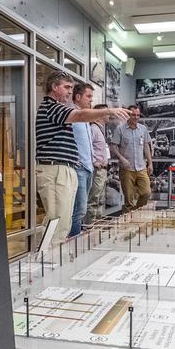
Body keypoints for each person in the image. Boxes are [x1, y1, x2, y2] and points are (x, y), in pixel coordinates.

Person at [36, 72, 126, 240]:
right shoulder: (51, 107)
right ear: (54, 87)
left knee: (65, 219)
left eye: (71, 87)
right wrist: (109, 110)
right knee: (58, 219)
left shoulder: (58, 108)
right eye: (66, 87)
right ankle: (48, 259)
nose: (69, 91)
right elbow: (79, 115)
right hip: (55, 169)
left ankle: (55, 255)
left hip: (65, 168)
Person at [110, 104, 153, 210]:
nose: (136, 117)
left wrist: (150, 163)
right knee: (129, 199)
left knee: (147, 193)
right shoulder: (120, 130)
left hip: (141, 167)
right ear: (128, 115)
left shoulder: (143, 129)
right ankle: (128, 223)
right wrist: (121, 158)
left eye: (138, 115)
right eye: (133, 115)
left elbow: (146, 146)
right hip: (127, 169)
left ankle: (137, 212)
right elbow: (113, 147)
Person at [68, 82, 95, 237]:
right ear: (78, 97)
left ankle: (75, 234)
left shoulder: (85, 119)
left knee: (80, 208)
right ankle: (74, 239)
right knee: (80, 208)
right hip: (78, 168)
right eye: (88, 96)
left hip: (88, 167)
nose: (91, 100)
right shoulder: (72, 114)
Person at [86, 104, 110, 225]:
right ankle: (90, 226)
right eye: (106, 112)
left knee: (100, 199)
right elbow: (87, 148)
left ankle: (97, 225)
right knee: (93, 199)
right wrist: (95, 162)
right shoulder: (93, 129)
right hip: (97, 170)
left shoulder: (99, 129)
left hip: (102, 170)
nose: (109, 114)